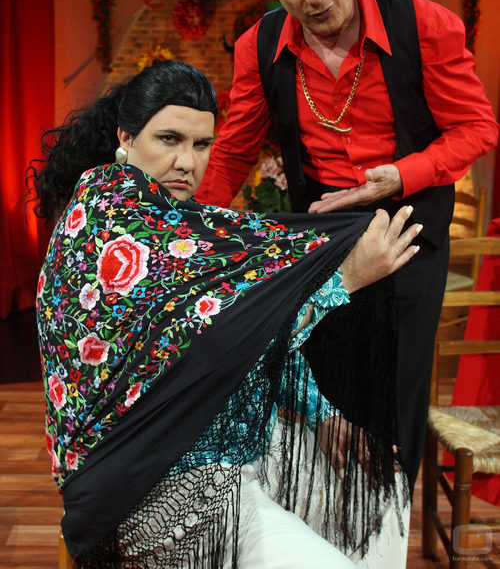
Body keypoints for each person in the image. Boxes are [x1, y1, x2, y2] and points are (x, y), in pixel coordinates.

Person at [195, 0, 500, 564]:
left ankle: (382, 545)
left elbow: (477, 127)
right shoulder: (259, 47)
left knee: (390, 403)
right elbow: (234, 152)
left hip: (408, 229)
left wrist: (402, 175)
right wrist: (191, 233)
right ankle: (325, 545)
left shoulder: (423, 24)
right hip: (322, 240)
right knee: (324, 400)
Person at [30, 60, 422, 568]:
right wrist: (343, 279)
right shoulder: (110, 220)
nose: (187, 163)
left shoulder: (174, 222)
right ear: (126, 136)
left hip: (227, 445)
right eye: (169, 139)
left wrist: (322, 416)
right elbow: (219, 345)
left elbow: (244, 324)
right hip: (156, 477)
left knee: (380, 490)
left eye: (202, 144)